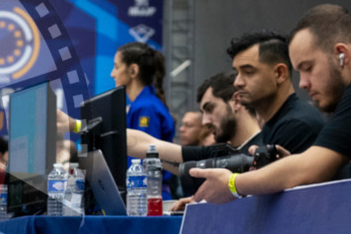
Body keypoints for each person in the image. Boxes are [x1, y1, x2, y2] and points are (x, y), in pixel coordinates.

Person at [193, 5, 351, 203]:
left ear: (341, 55)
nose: (302, 83)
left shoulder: (299, 123)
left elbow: (310, 168)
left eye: (308, 68)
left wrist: (233, 184)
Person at [127, 72, 263, 195]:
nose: (204, 121)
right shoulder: (220, 154)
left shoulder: (267, 147)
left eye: (210, 109)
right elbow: (148, 145)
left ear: (237, 102)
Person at [226, 29, 324, 154]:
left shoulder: (297, 126)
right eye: (236, 73)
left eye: (248, 72)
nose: (237, 82)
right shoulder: (276, 123)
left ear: (279, 73)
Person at [111, 42, 176, 197]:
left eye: (116, 67)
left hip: (147, 197)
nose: (112, 74)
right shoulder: (141, 105)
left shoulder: (146, 108)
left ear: (133, 70)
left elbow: (145, 160)